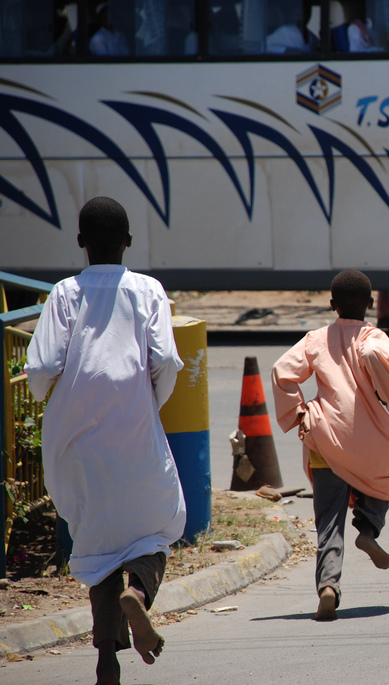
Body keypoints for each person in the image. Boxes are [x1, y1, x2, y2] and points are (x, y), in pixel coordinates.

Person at [25, 196, 186, 685]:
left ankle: (106, 658)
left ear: (80, 243)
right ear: (129, 241)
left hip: (75, 438)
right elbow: (166, 360)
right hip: (135, 430)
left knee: (96, 546)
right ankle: (137, 593)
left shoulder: (65, 292)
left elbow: (42, 367)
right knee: (161, 523)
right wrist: (146, 404)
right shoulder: (148, 290)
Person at [271, 269, 389, 621]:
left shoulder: (315, 339)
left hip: (325, 440)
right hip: (370, 442)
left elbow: (281, 371)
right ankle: (367, 529)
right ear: (370, 303)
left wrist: (299, 416)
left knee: (328, 524)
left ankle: (328, 587)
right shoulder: (374, 337)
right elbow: (378, 361)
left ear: (331, 304)